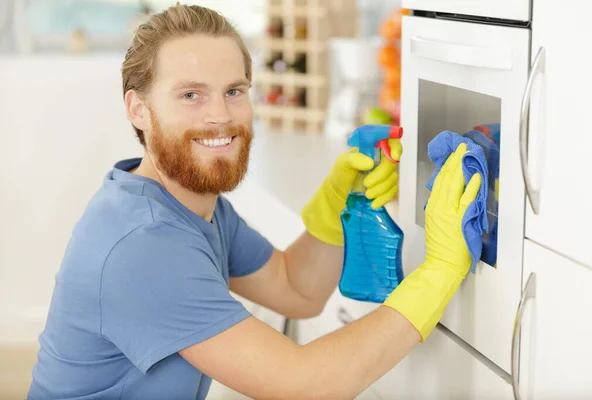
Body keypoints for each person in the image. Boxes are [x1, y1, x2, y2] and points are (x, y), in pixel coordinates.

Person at [27, 4, 482, 400]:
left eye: (234, 91)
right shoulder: (144, 243)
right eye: (191, 95)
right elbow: (306, 385)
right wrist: (438, 270)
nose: (220, 114)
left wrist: (336, 203)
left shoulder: (189, 203)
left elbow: (294, 289)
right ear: (138, 109)